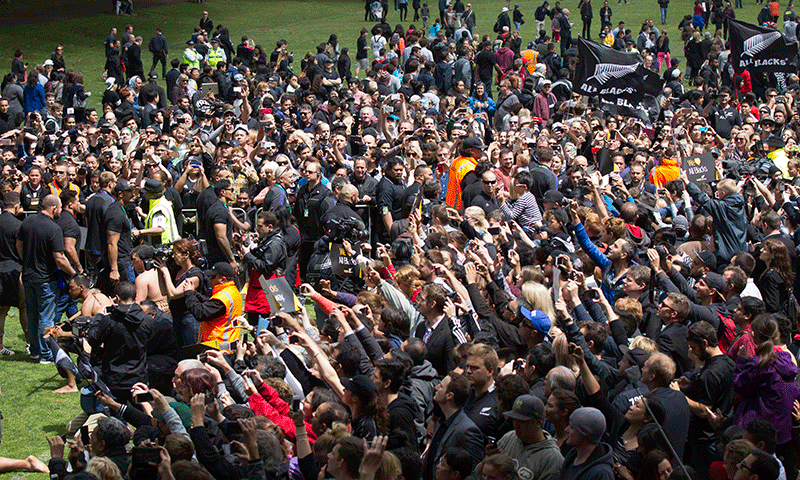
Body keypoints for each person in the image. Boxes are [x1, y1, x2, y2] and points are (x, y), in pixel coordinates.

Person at [18, 194, 75, 364]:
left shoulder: (26, 222)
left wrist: (26, 261)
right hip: (45, 279)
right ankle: (45, 353)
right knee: (46, 316)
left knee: (32, 314)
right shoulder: (54, 228)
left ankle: (34, 351)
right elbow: (59, 257)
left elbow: (18, 245)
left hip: (28, 276)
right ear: (54, 208)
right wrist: (73, 273)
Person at [85, 281, 153, 403]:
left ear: (117, 298)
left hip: (114, 378)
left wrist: (98, 318)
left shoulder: (109, 320)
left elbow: (93, 339)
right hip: (139, 378)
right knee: (143, 416)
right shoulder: (147, 320)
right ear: (136, 297)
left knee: (116, 414)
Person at [421, 372, 484, 480]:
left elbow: (473, 473)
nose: (436, 388)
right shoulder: (441, 421)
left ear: (449, 396)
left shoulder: (468, 431)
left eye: (441, 386)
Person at [496, 394, 564, 480]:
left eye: (521, 422)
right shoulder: (509, 437)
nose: (516, 426)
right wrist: (490, 459)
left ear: (538, 423)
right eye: (514, 420)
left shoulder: (552, 459)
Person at [183, 262, 242, 349]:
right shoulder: (231, 291)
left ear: (223, 279)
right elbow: (210, 303)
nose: (210, 279)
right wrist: (195, 293)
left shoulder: (222, 299)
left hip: (218, 348)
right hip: (223, 344)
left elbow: (200, 313)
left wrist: (189, 294)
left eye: (213, 277)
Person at [99, 179, 137, 295]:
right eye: (130, 191)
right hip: (120, 264)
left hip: (125, 259)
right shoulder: (115, 213)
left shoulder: (121, 209)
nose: (133, 194)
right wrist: (114, 270)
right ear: (120, 194)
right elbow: (111, 243)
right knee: (127, 295)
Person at [0, 191, 25, 356]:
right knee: (24, 308)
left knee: (1, 311)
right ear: (17, 206)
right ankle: (31, 344)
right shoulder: (18, 225)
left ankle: (0, 347)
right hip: (14, 270)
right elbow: (19, 249)